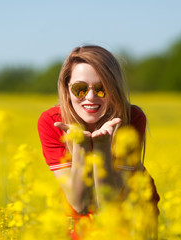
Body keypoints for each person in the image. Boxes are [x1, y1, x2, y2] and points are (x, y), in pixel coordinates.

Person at [38, 45, 159, 239]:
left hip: (132, 212)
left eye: (102, 89)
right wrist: (80, 145)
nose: (91, 97)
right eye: (80, 89)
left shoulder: (131, 119)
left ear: (114, 88)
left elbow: (108, 202)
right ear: (67, 89)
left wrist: (102, 146)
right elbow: (80, 204)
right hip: (80, 220)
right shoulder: (52, 122)